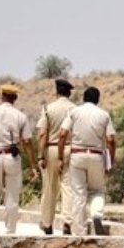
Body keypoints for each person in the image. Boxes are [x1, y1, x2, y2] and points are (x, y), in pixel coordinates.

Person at [57, 85, 117, 236]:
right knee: (97, 190)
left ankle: (80, 232)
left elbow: (63, 134)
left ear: (84, 98)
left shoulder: (74, 112)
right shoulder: (104, 115)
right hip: (96, 155)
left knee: (78, 193)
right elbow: (110, 140)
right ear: (98, 99)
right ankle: (96, 214)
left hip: (77, 155)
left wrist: (59, 157)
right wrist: (111, 161)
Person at [0, 83, 37, 235]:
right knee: (12, 194)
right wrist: (32, 166)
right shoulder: (20, 116)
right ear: (15, 98)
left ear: (2, 96)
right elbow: (27, 142)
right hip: (12, 156)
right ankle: (10, 229)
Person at [36, 78, 76, 235]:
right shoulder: (75, 109)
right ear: (69, 93)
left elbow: (41, 134)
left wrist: (40, 156)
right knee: (68, 188)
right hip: (71, 149)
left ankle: (47, 223)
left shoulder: (48, 108)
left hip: (52, 149)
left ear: (56, 91)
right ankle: (68, 221)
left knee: (50, 188)